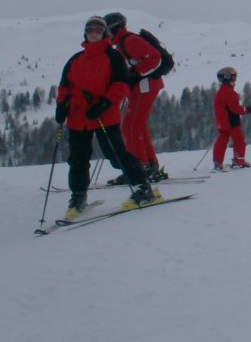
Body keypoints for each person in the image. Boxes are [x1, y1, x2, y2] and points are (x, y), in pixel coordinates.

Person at [54, 16, 156, 215]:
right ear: (86, 33)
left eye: (98, 30)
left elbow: (121, 85)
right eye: (90, 29)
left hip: (104, 116)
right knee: (78, 159)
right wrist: (61, 106)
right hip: (77, 118)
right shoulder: (75, 59)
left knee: (117, 155)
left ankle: (142, 187)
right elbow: (64, 87)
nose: (93, 33)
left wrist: (104, 103)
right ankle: (78, 195)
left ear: (104, 34)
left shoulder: (113, 57)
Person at [103, 12, 167, 183]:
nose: (105, 34)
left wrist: (136, 74)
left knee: (130, 127)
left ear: (113, 28)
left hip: (145, 87)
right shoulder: (122, 43)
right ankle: (149, 164)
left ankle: (140, 168)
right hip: (140, 88)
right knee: (136, 126)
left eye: (106, 30)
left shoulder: (130, 41)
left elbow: (155, 57)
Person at [212, 67, 251, 170]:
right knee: (239, 140)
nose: (234, 81)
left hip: (222, 122)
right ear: (226, 78)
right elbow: (235, 108)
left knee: (222, 140)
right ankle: (239, 161)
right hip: (231, 121)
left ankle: (217, 162)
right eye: (233, 78)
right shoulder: (230, 93)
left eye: (235, 78)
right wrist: (247, 109)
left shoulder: (221, 92)